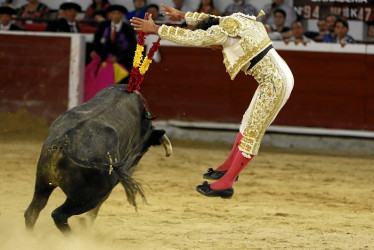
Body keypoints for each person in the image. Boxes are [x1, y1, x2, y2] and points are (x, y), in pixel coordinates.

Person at [130, 4, 294, 198]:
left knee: (252, 132)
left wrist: (157, 29)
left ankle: (227, 183)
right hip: (278, 76)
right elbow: (210, 18)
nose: (214, 48)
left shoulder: (219, 33)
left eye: (211, 45)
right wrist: (182, 15)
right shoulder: (235, 20)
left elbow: (192, 38)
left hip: (274, 84)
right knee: (247, 123)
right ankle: (227, 168)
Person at [91, 4, 137, 81]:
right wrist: (94, 50)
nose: (115, 16)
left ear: (122, 15)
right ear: (109, 15)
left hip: (122, 63)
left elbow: (132, 47)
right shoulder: (104, 25)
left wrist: (118, 58)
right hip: (104, 60)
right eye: (113, 13)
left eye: (118, 13)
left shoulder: (128, 29)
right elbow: (96, 40)